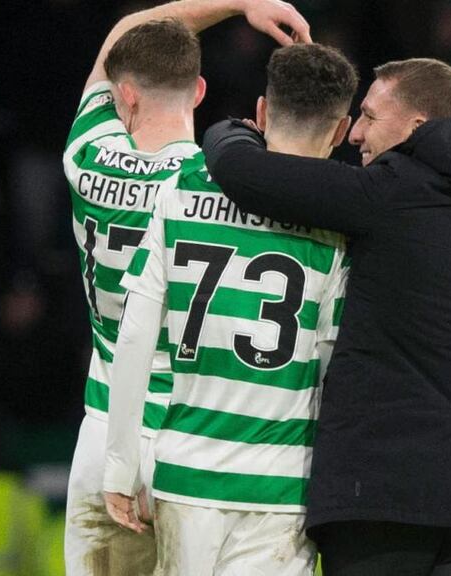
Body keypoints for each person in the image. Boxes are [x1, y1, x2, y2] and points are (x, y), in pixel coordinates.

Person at [203, 57, 451, 575]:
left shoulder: (391, 191)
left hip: (386, 494)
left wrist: (230, 131)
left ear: (417, 128)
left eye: (370, 116)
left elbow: (244, 174)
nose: (355, 133)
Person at [62, 1, 311, 574]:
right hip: (187, 443)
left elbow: (122, 34)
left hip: (103, 433)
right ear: (199, 92)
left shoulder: (86, 154)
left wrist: (238, 4)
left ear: (125, 96)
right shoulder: (215, 187)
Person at [102, 42, 356, 576]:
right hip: (281, 484)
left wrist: (120, 467)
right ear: (341, 131)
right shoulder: (337, 225)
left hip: (186, 470)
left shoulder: (183, 188)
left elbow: (135, 334)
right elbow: (334, 366)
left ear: (261, 112)